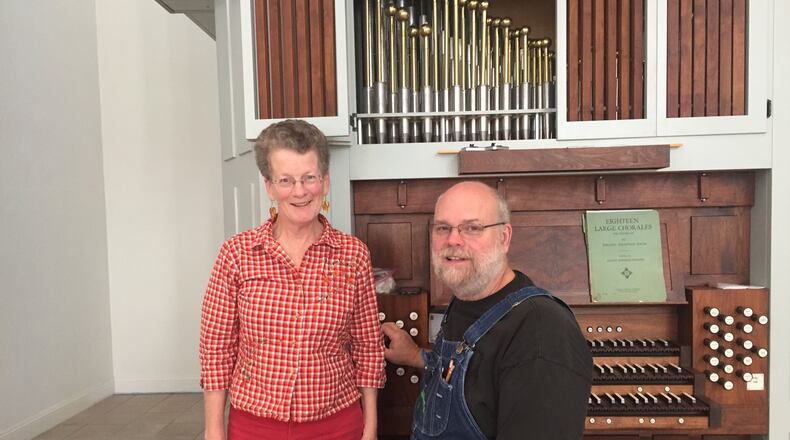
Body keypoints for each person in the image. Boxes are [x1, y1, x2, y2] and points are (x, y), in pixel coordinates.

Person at [199, 120, 385, 440]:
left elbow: (368, 347)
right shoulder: (236, 254)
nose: (299, 191)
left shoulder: (353, 255)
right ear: (270, 186)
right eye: (286, 180)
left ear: (325, 181)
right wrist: (214, 431)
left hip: (338, 424)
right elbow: (216, 350)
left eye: (309, 177)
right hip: (254, 426)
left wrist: (370, 427)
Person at [382, 181, 592, 440]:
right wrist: (416, 356)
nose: (453, 240)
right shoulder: (465, 298)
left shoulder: (542, 334)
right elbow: (470, 375)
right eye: (443, 228)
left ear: (504, 238)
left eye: (472, 228)